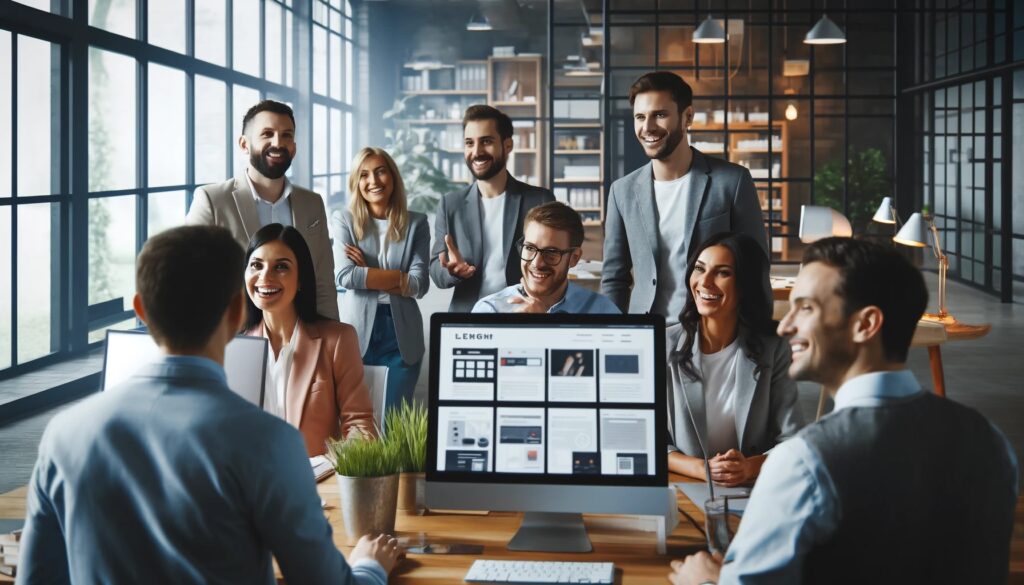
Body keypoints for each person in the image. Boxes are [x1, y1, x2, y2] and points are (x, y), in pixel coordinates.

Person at [17, 225, 399, 584]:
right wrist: (370, 566)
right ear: (237, 310)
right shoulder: (270, 441)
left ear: (141, 310)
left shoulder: (63, 434)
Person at [670, 237, 1018, 585]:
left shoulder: (803, 462)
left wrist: (703, 580)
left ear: (866, 324)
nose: (785, 326)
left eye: (805, 308)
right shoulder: (992, 442)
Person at [601, 72, 769, 324]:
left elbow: (756, 269)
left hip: (712, 332)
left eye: (659, 115)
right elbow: (614, 277)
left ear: (687, 116)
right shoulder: (621, 191)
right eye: (640, 117)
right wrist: (612, 336)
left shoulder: (733, 181)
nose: (647, 127)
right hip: (646, 334)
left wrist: (759, 338)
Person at [666, 232, 803, 487]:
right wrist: (701, 468)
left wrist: (750, 467)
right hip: (681, 485)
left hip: (754, 487)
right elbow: (644, 438)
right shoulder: (663, 344)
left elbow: (793, 439)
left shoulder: (774, 347)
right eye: (699, 269)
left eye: (722, 273)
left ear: (745, 285)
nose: (704, 282)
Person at [186, 99, 339, 320]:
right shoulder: (212, 200)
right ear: (244, 144)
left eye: (286, 135)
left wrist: (329, 338)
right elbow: (190, 278)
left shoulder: (312, 203)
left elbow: (322, 280)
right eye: (267, 134)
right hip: (236, 338)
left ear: (294, 147)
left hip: (303, 336)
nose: (278, 142)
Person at [243, 223, 375, 456]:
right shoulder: (235, 349)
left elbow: (360, 426)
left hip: (313, 483)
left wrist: (330, 466)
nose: (265, 277)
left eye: (281, 267)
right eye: (256, 265)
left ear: (301, 279)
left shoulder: (338, 340)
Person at [430, 104, 555, 312]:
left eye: (486, 142)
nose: (476, 152)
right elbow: (436, 272)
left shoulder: (539, 199)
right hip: (468, 318)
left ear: (507, 146)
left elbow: (553, 263)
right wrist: (453, 271)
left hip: (523, 314)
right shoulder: (450, 204)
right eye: (469, 143)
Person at [333, 147, 430, 414]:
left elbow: (420, 284)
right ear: (356, 182)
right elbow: (344, 276)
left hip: (400, 335)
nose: (373, 181)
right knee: (356, 422)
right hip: (358, 331)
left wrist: (368, 272)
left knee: (392, 421)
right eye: (364, 175)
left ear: (393, 177)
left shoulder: (416, 224)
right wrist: (399, 278)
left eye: (380, 172)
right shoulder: (345, 220)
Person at [472, 201, 619, 314]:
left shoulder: (603, 311)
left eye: (551, 252)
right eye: (529, 248)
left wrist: (543, 326)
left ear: (574, 258)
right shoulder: (490, 310)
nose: (537, 263)